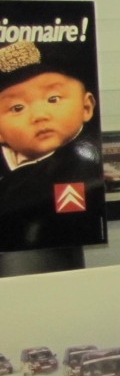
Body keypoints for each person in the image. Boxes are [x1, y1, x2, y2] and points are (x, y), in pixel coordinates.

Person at [0, 39, 105, 252]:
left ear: (87, 106)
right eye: (17, 108)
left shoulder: (84, 168)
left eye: (53, 99)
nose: (39, 116)